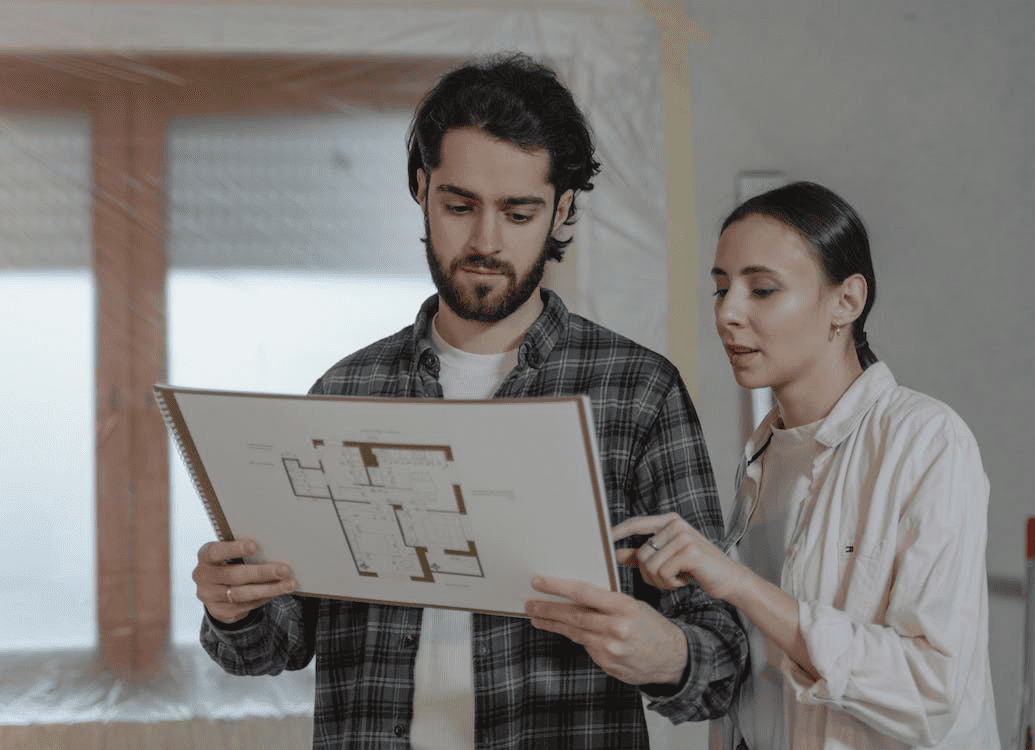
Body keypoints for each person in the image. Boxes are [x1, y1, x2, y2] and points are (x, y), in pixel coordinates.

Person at [192, 52, 746, 749]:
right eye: (459, 206)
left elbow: (721, 661)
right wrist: (233, 609)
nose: (485, 242)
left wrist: (664, 652)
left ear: (562, 209)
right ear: (421, 190)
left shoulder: (638, 392)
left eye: (518, 213)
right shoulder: (345, 390)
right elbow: (274, 648)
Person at [613, 181, 1001, 750]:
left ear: (846, 301)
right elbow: (761, 682)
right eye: (720, 290)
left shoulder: (927, 441)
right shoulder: (764, 452)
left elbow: (932, 689)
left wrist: (740, 586)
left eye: (762, 290)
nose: (728, 314)